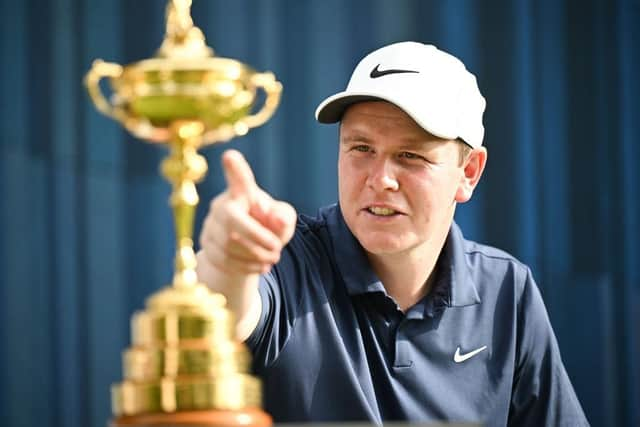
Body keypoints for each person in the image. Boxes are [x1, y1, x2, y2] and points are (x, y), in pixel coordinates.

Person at [196, 41, 589, 426]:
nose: (381, 179)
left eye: (410, 156)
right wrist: (227, 264)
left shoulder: (508, 291)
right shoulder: (286, 259)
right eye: (361, 148)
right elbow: (229, 311)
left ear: (468, 173)